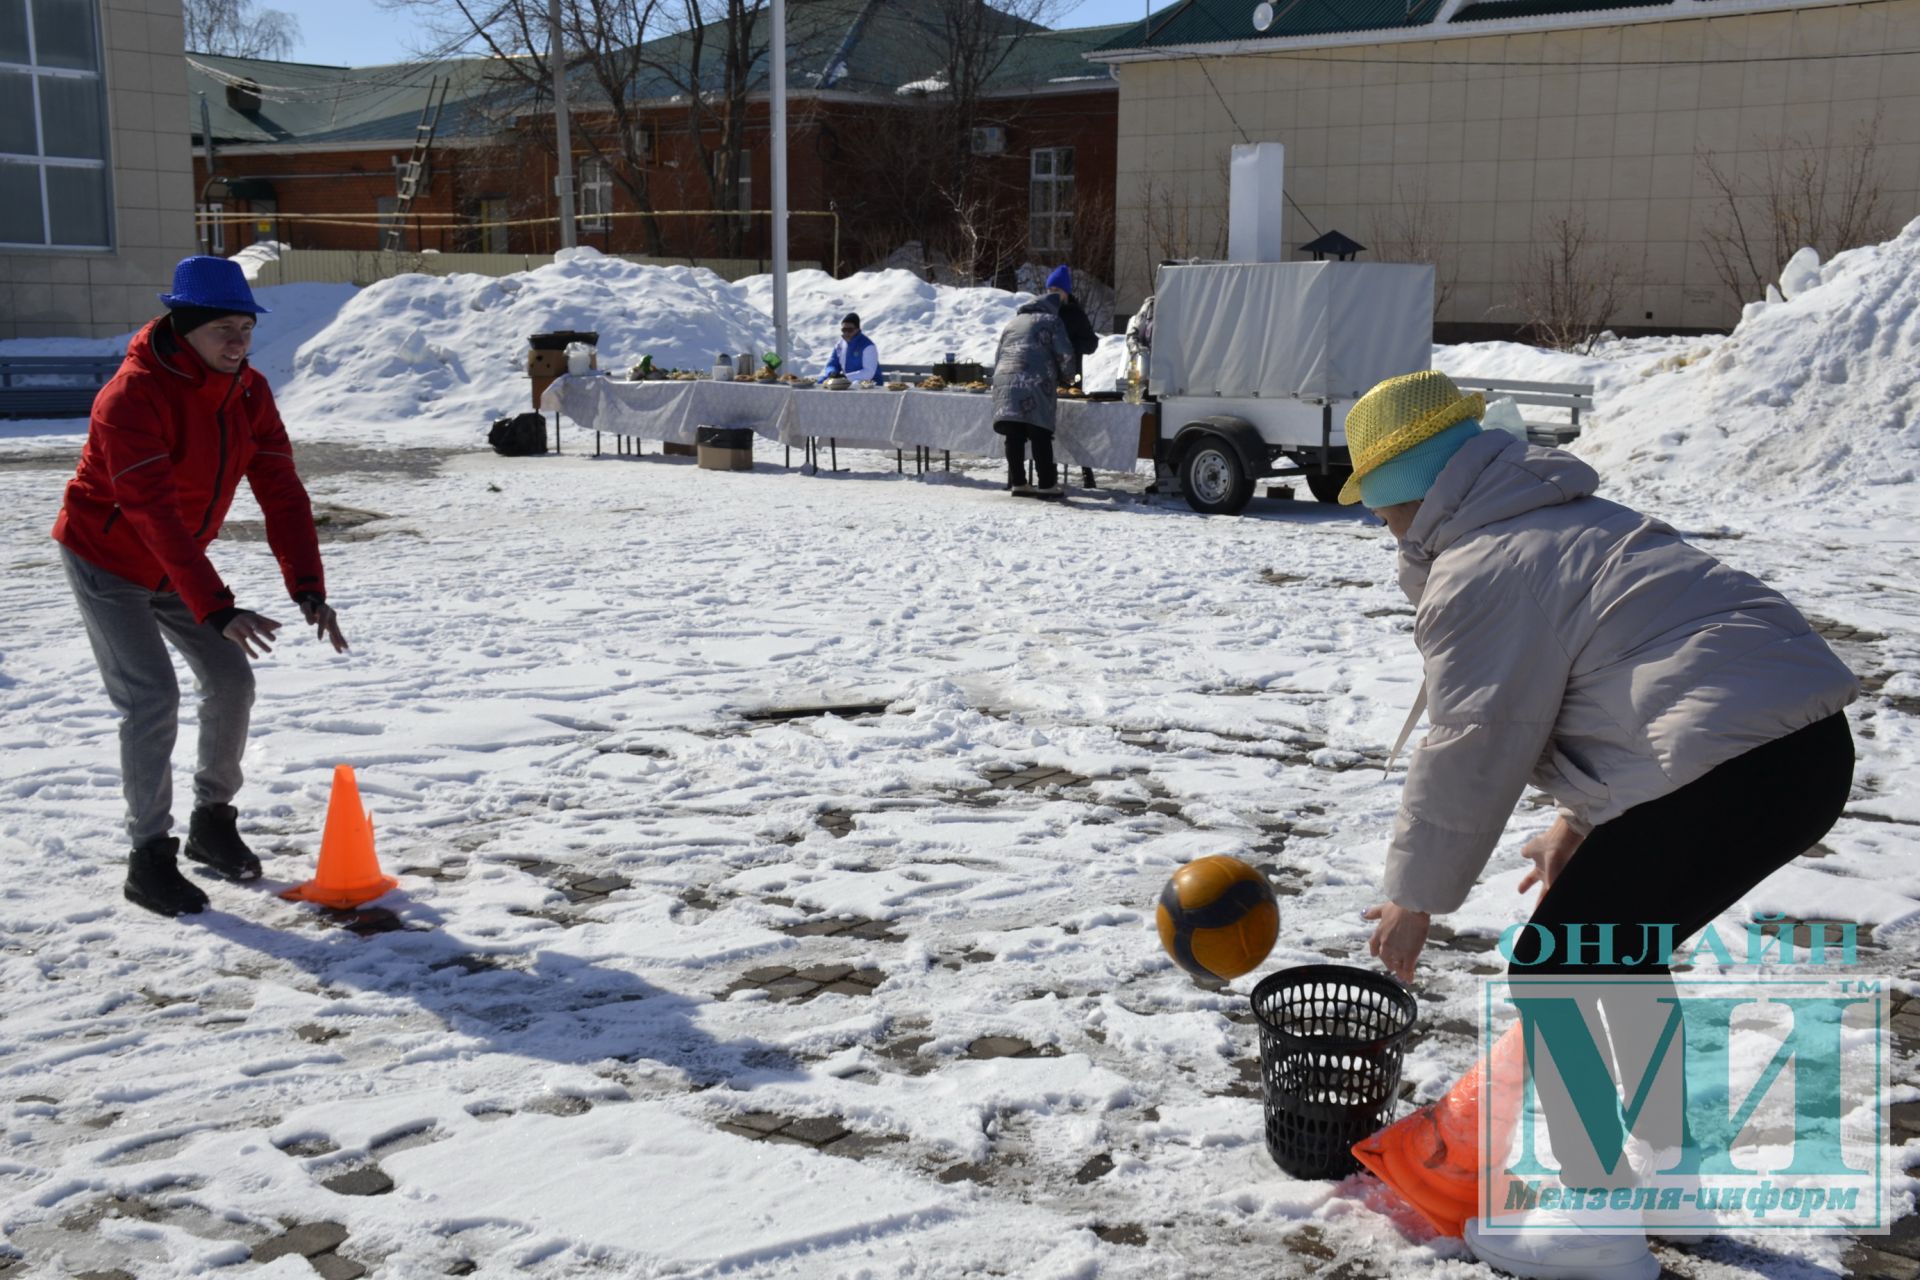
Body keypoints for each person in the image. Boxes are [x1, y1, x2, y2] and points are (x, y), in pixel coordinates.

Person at [1348, 371, 1857, 1279]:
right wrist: (1578, 820)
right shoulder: (1556, 516)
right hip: (1799, 750)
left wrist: (1413, 899)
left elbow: (1472, 743)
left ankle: (1594, 1223)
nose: (1381, 528)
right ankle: (1669, 1178)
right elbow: (1634, 689)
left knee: (1559, 965)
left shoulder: (1480, 565)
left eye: (1378, 508)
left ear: (1410, 496)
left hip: (1740, 764)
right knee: (1618, 952)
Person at [52, 255, 349, 919]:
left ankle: (213, 821)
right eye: (223, 328)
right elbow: (150, 512)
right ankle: (148, 856)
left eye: (246, 326)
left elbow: (281, 491)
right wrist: (215, 606)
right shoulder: (131, 397)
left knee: (233, 681)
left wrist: (307, 585)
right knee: (151, 698)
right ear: (183, 328)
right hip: (108, 560)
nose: (239, 341)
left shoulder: (250, 392)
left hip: (179, 563)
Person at [989, 278, 1078, 499]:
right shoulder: (1051, 320)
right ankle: (1047, 484)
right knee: (1039, 430)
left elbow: (998, 355)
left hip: (1004, 379)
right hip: (1034, 380)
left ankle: (1018, 482)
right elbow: (1064, 353)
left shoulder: (1013, 323)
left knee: (1013, 432)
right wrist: (1069, 378)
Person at [1045, 266, 1103, 489]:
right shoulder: (1045, 311)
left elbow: (1092, 344)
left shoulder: (1076, 314)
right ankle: (1049, 471)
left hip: (1071, 378)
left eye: (1056, 289)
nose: (1052, 292)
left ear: (1066, 292)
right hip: (1047, 377)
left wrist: (1071, 345)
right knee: (1047, 427)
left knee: (1074, 427)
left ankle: (1087, 473)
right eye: (1049, 288)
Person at [817, 312, 881, 385]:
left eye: (850, 330)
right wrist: (832, 373)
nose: (846, 333)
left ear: (857, 329)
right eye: (844, 330)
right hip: (846, 382)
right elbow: (832, 363)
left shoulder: (868, 346)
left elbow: (868, 372)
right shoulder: (840, 344)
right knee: (821, 381)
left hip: (870, 384)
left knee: (856, 384)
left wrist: (844, 377)